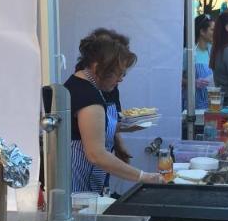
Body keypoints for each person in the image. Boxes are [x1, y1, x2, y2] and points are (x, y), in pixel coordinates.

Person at [65, 29, 162, 192]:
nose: (121, 78)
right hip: (77, 186)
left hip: (85, 182)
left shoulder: (81, 85)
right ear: (98, 67)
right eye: (118, 72)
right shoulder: (88, 97)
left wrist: (120, 136)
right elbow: (96, 154)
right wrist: (144, 176)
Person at [189, 13, 214, 111]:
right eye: (212, 30)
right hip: (193, 106)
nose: (215, 33)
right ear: (202, 32)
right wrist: (192, 82)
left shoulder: (212, 51)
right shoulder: (189, 52)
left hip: (212, 104)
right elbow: (176, 78)